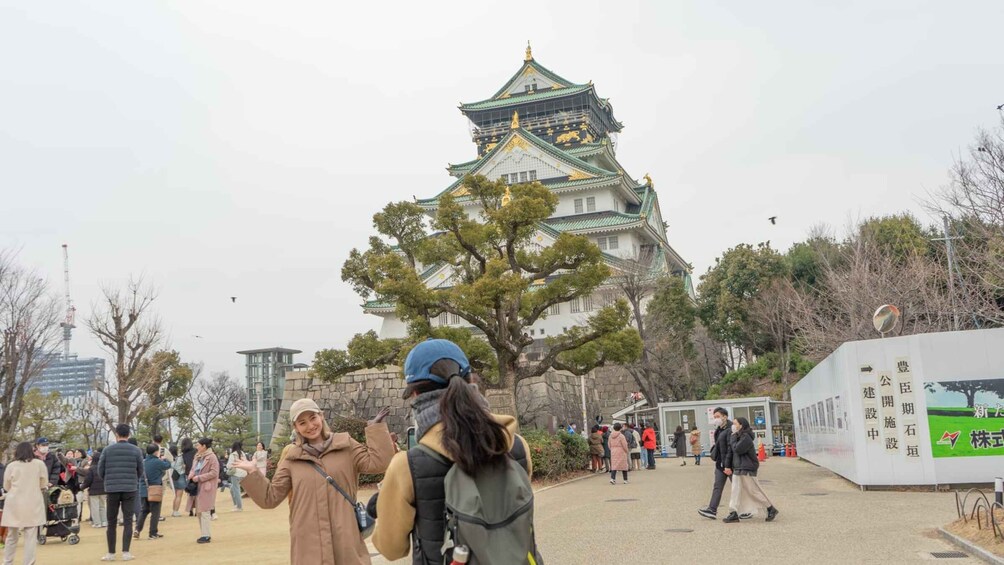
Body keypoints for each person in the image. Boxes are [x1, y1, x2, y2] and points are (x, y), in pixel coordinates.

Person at [371, 339, 535, 564]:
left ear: (416, 394)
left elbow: (391, 549)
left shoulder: (407, 466)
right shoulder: (515, 445)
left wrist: (385, 503)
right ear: (470, 381)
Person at [233, 397, 394, 564]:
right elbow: (270, 498)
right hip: (308, 542)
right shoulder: (292, 459)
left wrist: (376, 429)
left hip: (345, 537)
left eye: (313, 418)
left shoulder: (346, 445)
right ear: (295, 427)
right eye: (302, 423)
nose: (310, 426)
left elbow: (379, 463)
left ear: (321, 416)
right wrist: (253, 472)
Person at [97, 423, 144, 562]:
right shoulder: (136, 450)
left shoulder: (107, 450)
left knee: (111, 521)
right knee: (128, 520)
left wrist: (108, 479)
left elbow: (100, 470)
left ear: (116, 434)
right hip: (130, 488)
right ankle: (126, 552)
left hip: (112, 488)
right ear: (129, 434)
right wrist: (133, 479)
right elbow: (140, 470)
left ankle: (111, 553)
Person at [723, 417, 779, 523]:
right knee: (735, 491)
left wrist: (733, 436)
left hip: (746, 467)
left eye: (735, 424)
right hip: (738, 467)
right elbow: (731, 450)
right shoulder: (738, 436)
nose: (733, 426)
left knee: (753, 491)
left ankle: (770, 508)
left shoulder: (746, 437)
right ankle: (733, 512)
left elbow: (738, 449)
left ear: (741, 425)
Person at [2, 442, 47, 565]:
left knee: (12, 536)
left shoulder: (11, 466)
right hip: (33, 502)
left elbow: (6, 485)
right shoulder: (39, 464)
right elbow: (43, 482)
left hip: (14, 503)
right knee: (30, 536)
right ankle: (29, 562)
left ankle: (7, 562)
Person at [698, 407, 733, 520]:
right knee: (717, 487)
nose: (716, 419)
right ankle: (712, 509)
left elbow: (730, 448)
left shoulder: (731, 428)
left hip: (731, 465)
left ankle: (759, 508)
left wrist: (728, 465)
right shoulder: (718, 430)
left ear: (725, 416)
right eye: (714, 417)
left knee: (741, 488)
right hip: (720, 464)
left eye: (718, 416)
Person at [135, 444, 171, 540]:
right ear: (156, 452)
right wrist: (164, 459)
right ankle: (152, 533)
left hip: (143, 490)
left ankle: (137, 530)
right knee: (155, 512)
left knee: (144, 511)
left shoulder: (142, 462)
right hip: (155, 489)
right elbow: (168, 465)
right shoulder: (157, 462)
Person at [188, 438, 219, 544]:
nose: (197, 447)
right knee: (199, 511)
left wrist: (200, 477)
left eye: (198, 445)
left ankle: (206, 535)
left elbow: (214, 472)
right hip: (196, 486)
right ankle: (204, 533)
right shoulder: (197, 456)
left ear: (204, 446)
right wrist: (192, 474)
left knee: (205, 510)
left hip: (206, 486)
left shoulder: (212, 457)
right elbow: (193, 468)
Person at [82, 447, 108, 528]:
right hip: (103, 490)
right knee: (102, 506)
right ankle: (104, 521)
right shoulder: (104, 468)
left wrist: (82, 487)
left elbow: (88, 480)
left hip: (93, 491)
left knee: (95, 507)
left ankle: (97, 522)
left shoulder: (91, 468)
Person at [172, 439, 195, 517]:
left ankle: (174, 510)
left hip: (175, 476)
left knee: (176, 495)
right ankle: (176, 511)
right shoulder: (189, 454)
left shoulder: (182, 454)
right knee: (179, 495)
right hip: (181, 475)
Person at [225, 441, 248, 512]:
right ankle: (236, 505)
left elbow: (229, 465)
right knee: (232, 489)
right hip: (243, 473)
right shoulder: (243, 454)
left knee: (236, 490)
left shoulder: (233, 454)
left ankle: (239, 507)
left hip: (236, 473)